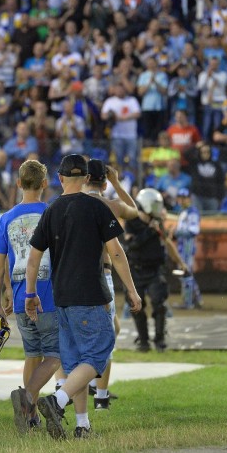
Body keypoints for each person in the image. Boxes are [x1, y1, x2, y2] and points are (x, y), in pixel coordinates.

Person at [26, 154, 142, 439]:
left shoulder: (51, 210)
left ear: (60, 178)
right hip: (91, 293)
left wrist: (31, 294)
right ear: (88, 178)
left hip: (60, 295)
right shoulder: (97, 207)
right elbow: (115, 252)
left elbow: (33, 258)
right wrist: (131, 289)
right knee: (100, 351)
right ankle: (58, 400)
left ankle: (82, 425)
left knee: (76, 362)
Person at [0, 159, 57, 433]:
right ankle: (29, 400)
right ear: (44, 184)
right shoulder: (52, 214)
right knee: (55, 353)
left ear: (18, 183)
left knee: (32, 354)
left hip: (19, 296)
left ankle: (31, 418)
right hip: (48, 294)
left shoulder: (6, 218)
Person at [83, 159, 140, 410]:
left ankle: (75, 385)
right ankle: (100, 395)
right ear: (103, 182)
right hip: (100, 272)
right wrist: (117, 182)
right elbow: (134, 210)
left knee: (91, 332)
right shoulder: (109, 204)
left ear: (85, 179)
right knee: (107, 334)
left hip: (70, 273)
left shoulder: (70, 203)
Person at [123, 188, 176, 352]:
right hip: (136, 269)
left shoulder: (158, 221)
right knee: (136, 306)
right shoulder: (131, 221)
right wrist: (150, 230)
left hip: (155, 269)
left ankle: (159, 339)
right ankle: (143, 340)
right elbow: (132, 245)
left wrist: (179, 262)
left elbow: (166, 241)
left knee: (159, 303)